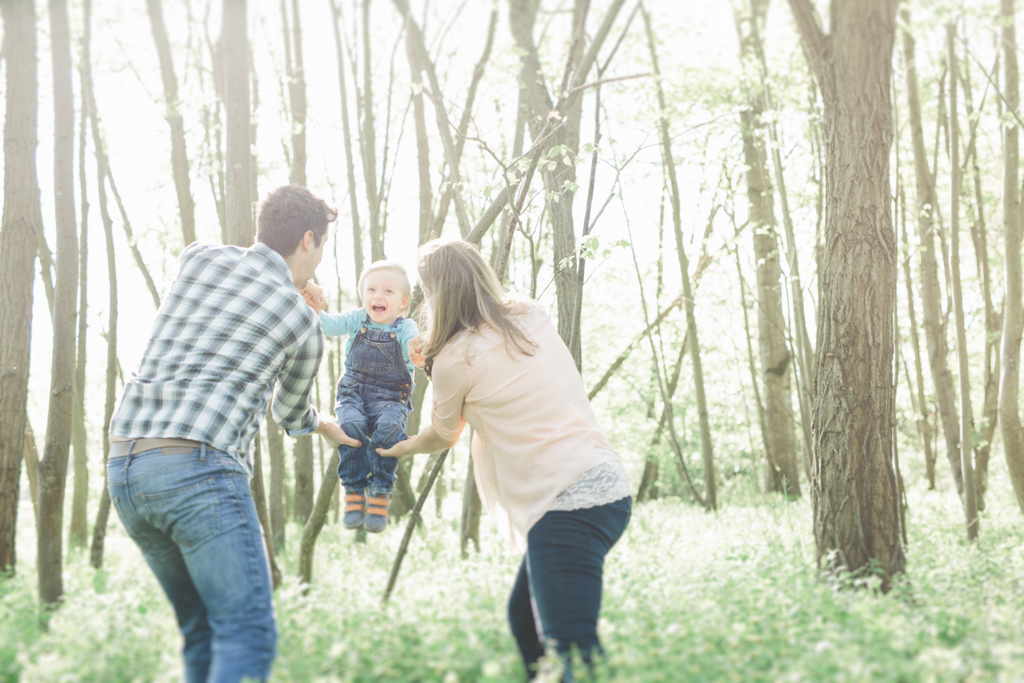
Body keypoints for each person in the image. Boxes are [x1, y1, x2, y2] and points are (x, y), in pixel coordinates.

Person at [106, 185, 357, 683]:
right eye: (323, 244)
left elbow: (224, 310)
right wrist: (325, 425)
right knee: (246, 632)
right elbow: (291, 414)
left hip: (126, 468)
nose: (321, 255)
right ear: (308, 239)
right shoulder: (303, 326)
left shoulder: (198, 258)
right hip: (198, 472)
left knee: (201, 630)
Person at [378, 240, 632, 681]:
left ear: (436, 294)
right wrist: (434, 361)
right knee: (525, 619)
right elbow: (498, 369)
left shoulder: (455, 358)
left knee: (573, 650)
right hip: (605, 484)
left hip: (566, 501)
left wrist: (404, 445)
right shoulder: (528, 315)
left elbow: (444, 433)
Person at [300, 261, 420, 532]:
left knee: (389, 430)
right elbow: (328, 326)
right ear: (363, 295)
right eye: (371, 290)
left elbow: (414, 343)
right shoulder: (356, 319)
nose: (378, 296)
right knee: (351, 430)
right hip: (354, 391)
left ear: (402, 302)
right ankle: (354, 490)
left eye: (388, 291)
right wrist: (313, 311)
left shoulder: (405, 328)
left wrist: (418, 349)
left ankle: (379, 492)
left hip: (391, 397)